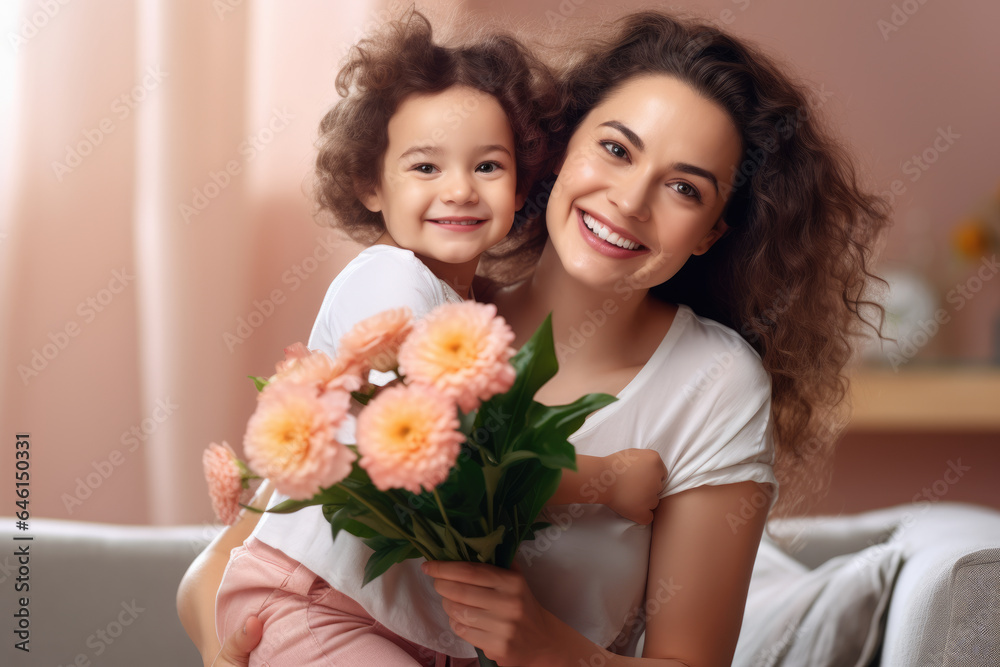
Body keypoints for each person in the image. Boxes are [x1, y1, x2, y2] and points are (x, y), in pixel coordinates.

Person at [182, 9, 889, 666]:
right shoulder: (424, 321)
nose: (630, 200)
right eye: (615, 149)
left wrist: (549, 647)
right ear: (554, 157)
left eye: (684, 189)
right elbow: (236, 563)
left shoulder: (714, 383)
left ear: (711, 232)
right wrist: (227, 642)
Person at [202, 10, 667, 667]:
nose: (458, 189)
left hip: (401, 625)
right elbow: (444, 460)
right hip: (316, 602)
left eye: (487, 165)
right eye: (425, 166)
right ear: (370, 184)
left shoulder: (469, 315)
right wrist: (605, 480)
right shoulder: (389, 277)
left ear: (521, 185)